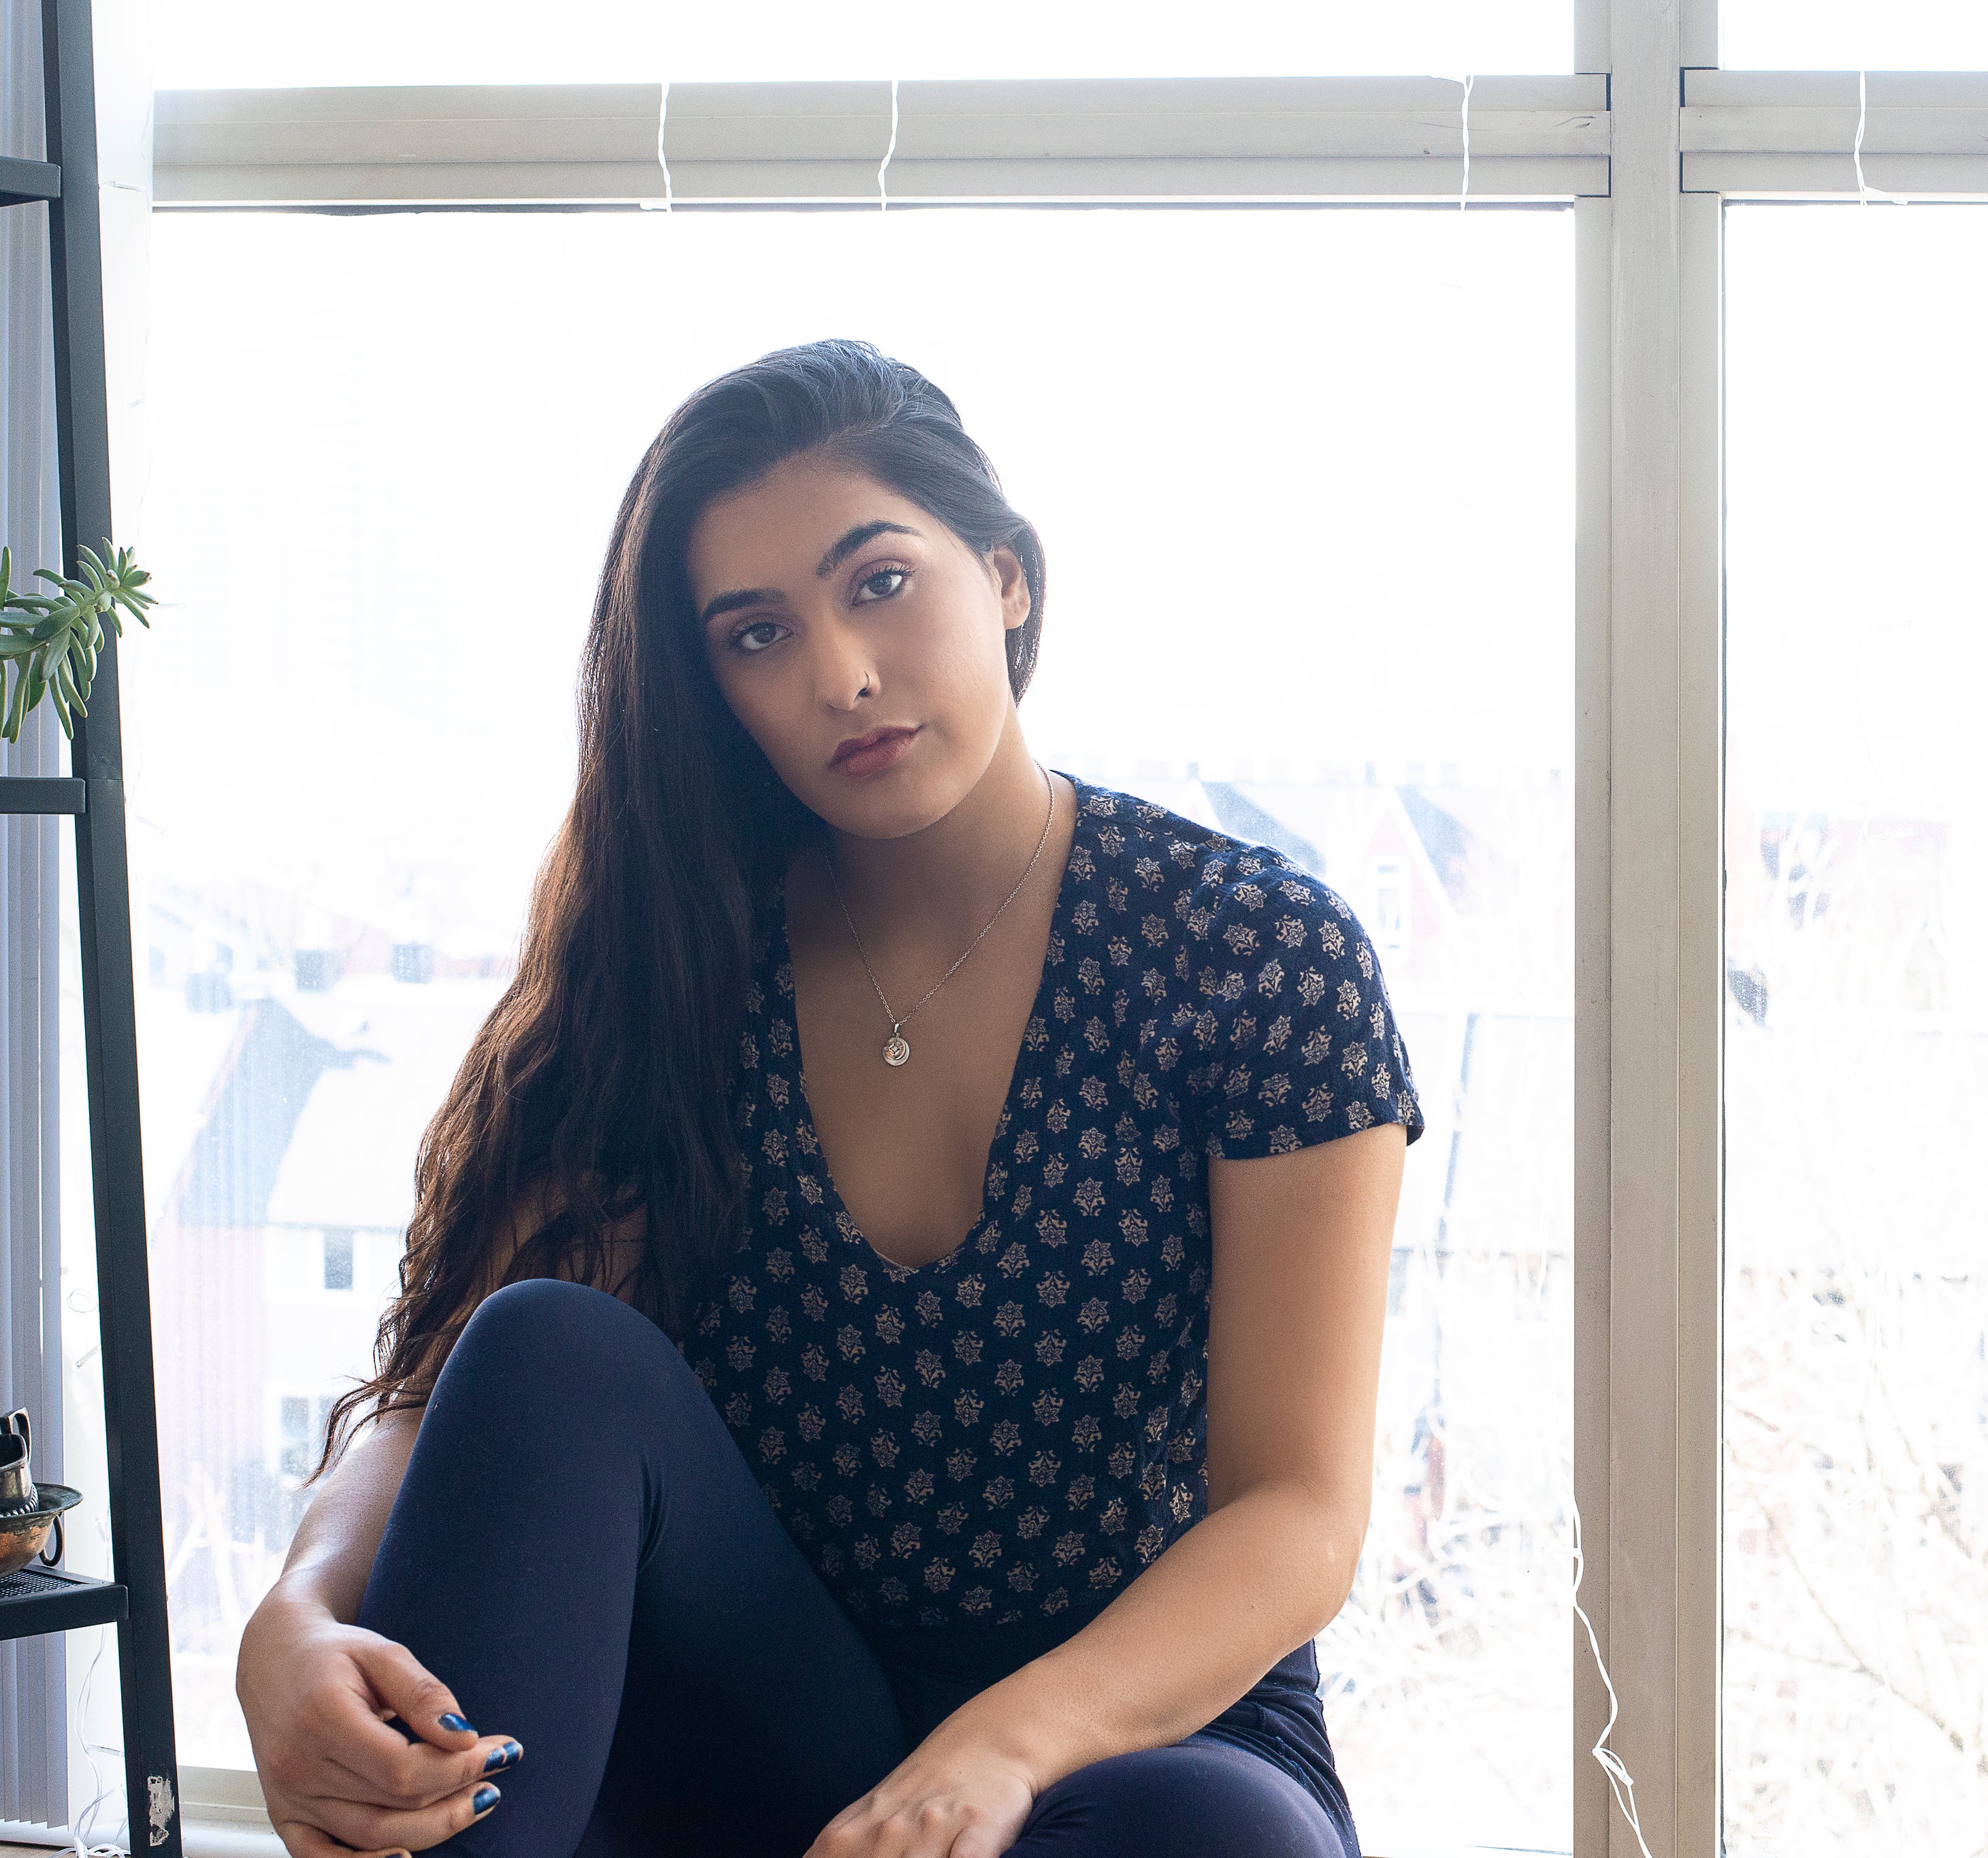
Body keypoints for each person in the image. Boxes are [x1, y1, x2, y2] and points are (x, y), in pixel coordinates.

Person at [231, 338, 1424, 1858]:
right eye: (753, 635)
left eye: (877, 584)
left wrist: (998, 1748)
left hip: (1132, 1736)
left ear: (1004, 575)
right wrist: (298, 1610)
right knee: (547, 1342)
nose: (837, 676)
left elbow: (1299, 1513)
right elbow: (457, 1384)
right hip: (757, 1719)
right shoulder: (676, 957)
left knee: (1216, 1847)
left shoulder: (1252, 953)